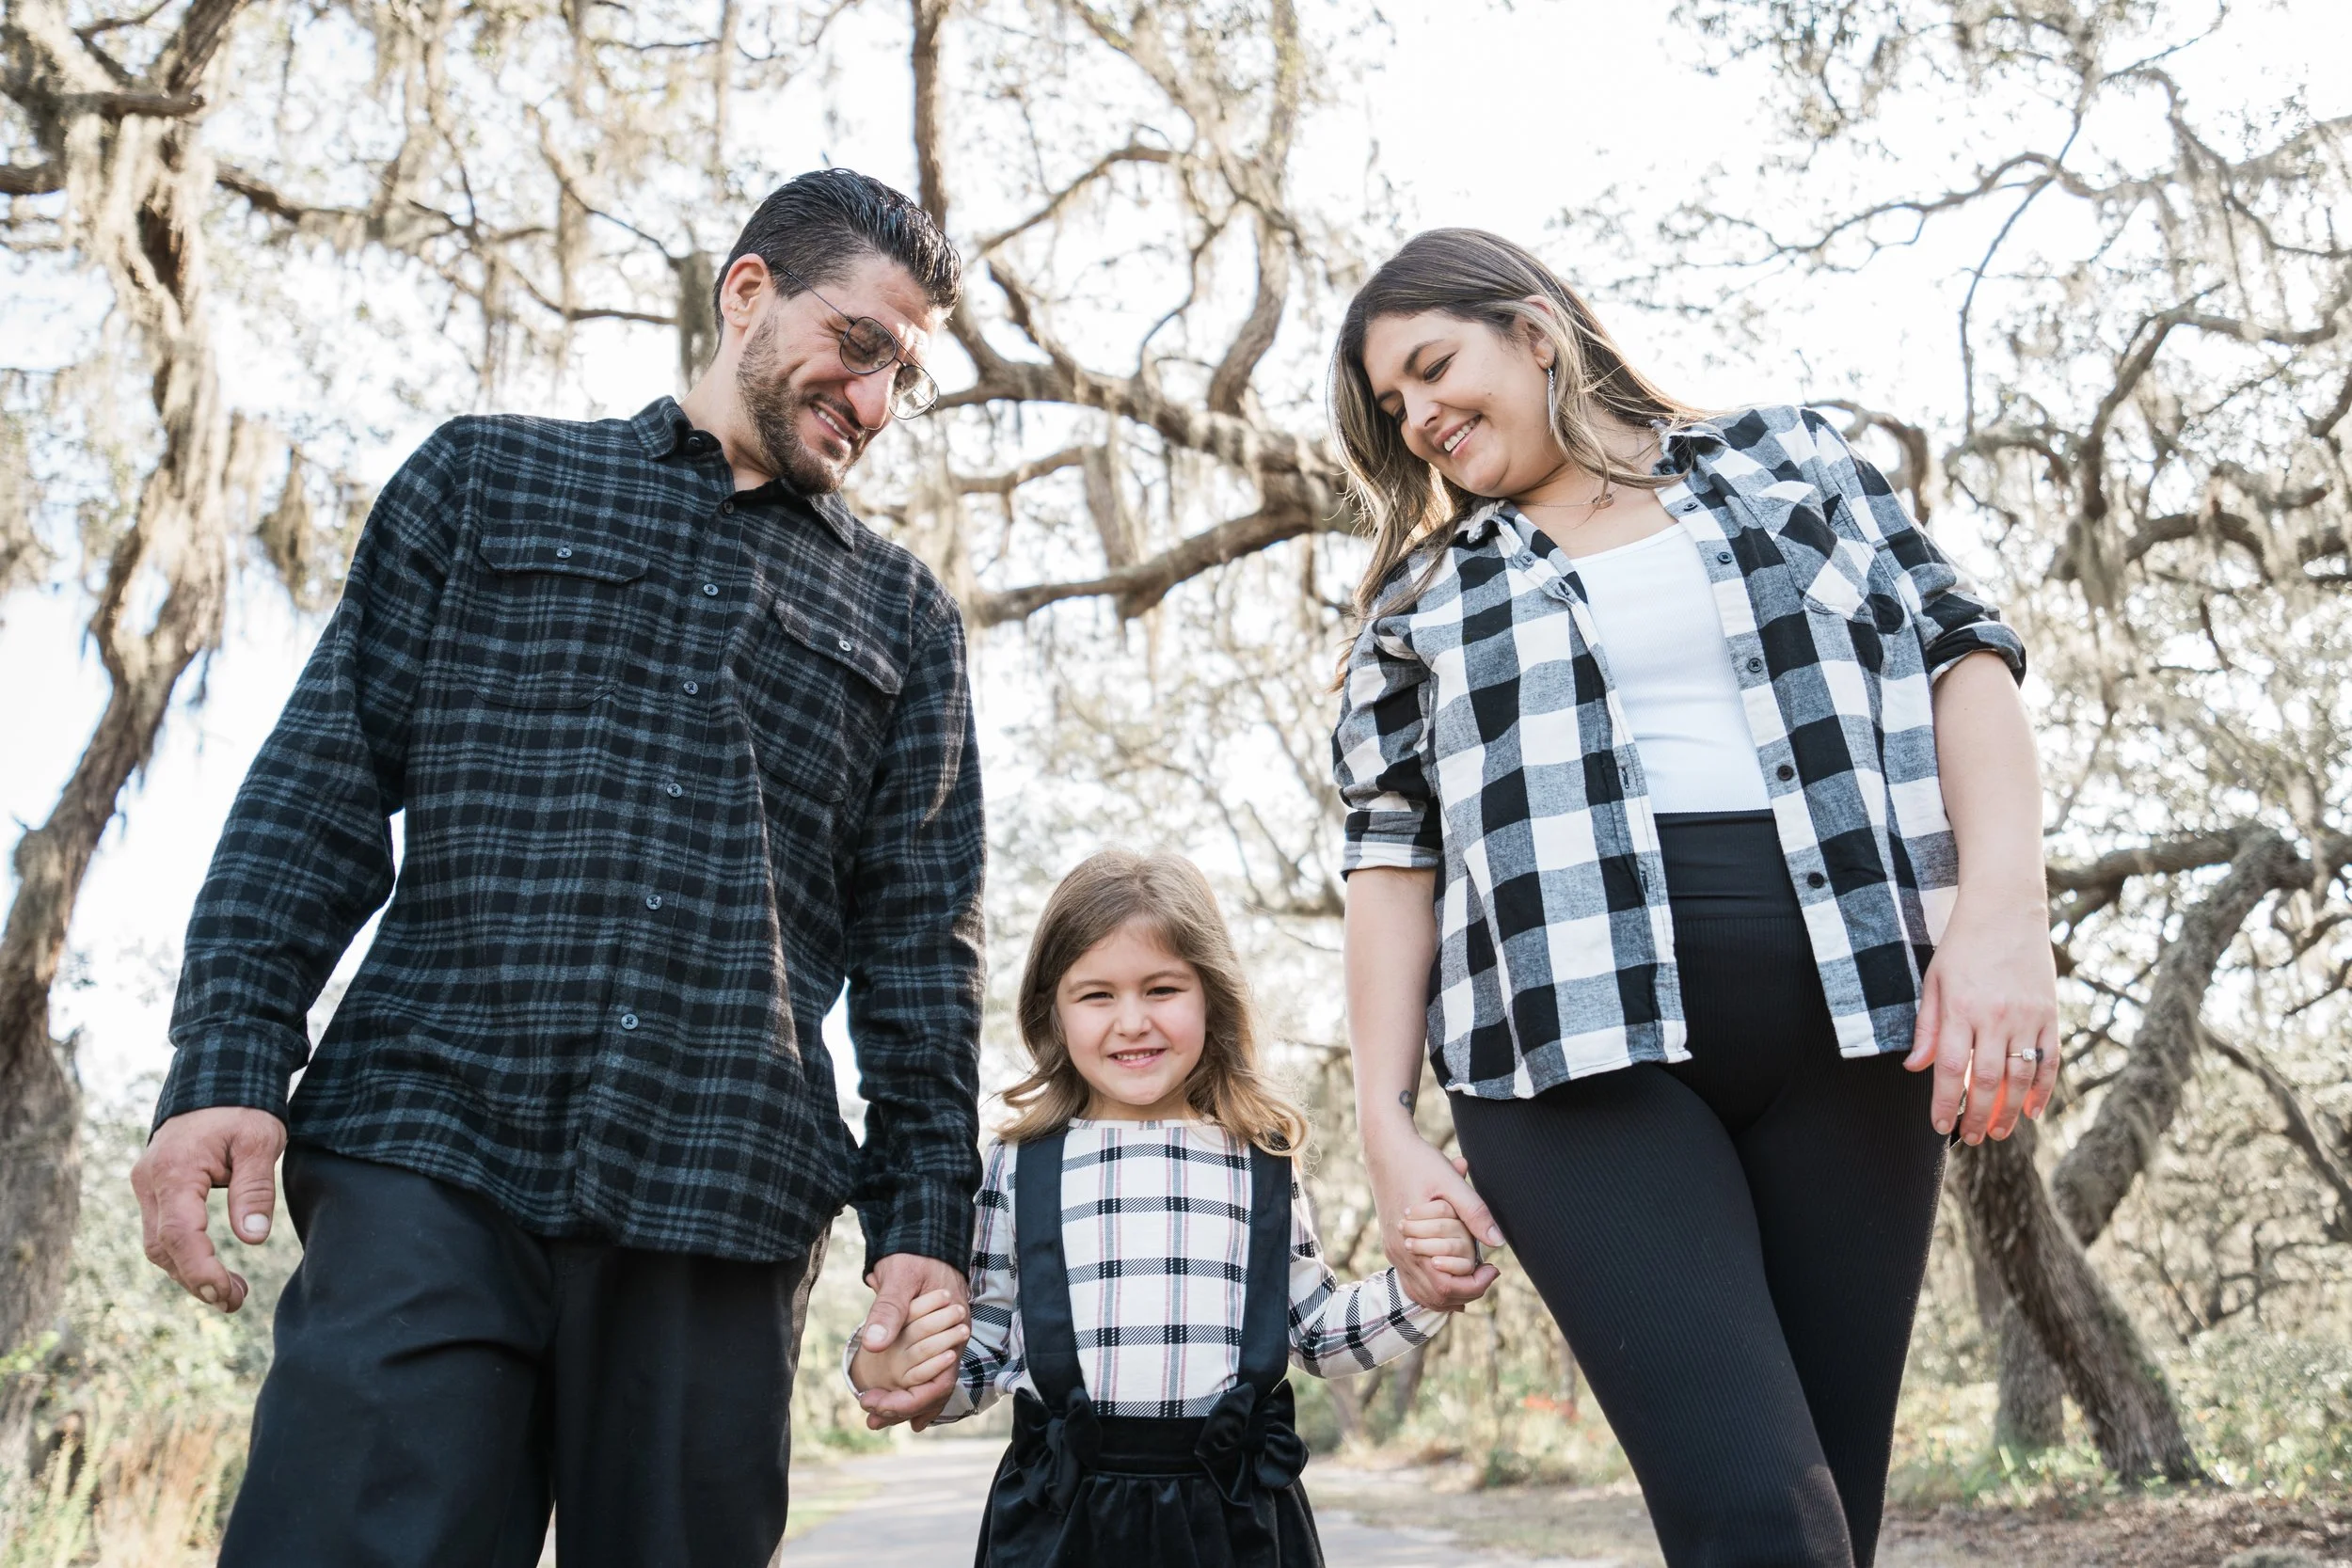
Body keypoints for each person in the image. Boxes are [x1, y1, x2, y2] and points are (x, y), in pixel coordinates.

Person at [129, 167, 986, 1568]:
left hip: (725, 1190)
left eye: (909, 376)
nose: (878, 401)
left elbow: (919, 950)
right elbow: (322, 781)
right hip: (427, 1145)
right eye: (863, 345)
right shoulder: (484, 480)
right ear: (750, 291)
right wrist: (226, 1058)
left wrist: (926, 1222)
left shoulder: (905, 617)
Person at [1326, 229, 2058, 1568]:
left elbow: (1964, 655)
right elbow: (1390, 857)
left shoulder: (1790, 461)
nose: (1420, 416)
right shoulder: (1420, 600)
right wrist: (1384, 1120)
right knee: (1758, 1515)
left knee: (1834, 1513)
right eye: (1393, 406)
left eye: (1434, 367)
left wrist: (2003, 914)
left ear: (1537, 329)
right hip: (1568, 1064)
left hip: (1855, 1029)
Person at [850, 849, 1484, 1567]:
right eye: (1096, 995)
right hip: (1062, 1519)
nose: (1132, 1021)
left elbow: (1313, 1329)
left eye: (1161, 988)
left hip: (1235, 1512)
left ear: (1209, 994)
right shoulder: (1019, 1162)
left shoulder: (1260, 1156)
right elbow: (985, 1350)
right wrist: (891, 1369)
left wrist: (1422, 1288)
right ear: (1052, 1011)